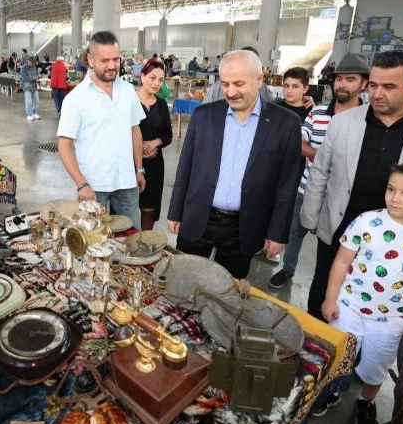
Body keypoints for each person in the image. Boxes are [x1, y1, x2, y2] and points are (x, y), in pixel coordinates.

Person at [300, 50, 403, 321]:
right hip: (342, 222)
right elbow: (320, 172)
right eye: (373, 85)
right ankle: (317, 346)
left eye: (388, 87)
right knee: (324, 286)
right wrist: (312, 215)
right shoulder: (343, 122)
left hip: (400, 234)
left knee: (378, 296)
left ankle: (363, 353)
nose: (376, 94)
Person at [316, 161, 403, 424]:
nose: (395, 198)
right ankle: (330, 391)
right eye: (391, 189)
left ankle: (366, 401)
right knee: (338, 353)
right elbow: (342, 262)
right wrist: (331, 298)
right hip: (349, 306)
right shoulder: (366, 222)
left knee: (378, 363)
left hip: (392, 318)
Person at [167, 50, 301, 279]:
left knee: (229, 290)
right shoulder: (204, 115)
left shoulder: (285, 124)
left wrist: (277, 233)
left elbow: (286, 185)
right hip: (199, 215)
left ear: (259, 80)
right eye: (225, 84)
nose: (231, 92)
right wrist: (175, 212)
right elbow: (185, 168)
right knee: (184, 279)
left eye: (239, 84)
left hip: (244, 225)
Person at [270, 53, 368, 288]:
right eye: (339, 79)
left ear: (364, 84)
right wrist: (324, 160)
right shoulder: (317, 113)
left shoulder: (368, 120)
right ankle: (288, 269)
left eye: (351, 79)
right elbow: (300, 142)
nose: (343, 84)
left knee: (338, 243)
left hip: (344, 197)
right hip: (307, 187)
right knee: (294, 232)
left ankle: (330, 282)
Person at [57, 31, 146, 229]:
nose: (112, 65)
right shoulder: (76, 99)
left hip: (126, 181)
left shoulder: (128, 91)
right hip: (93, 186)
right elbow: (64, 146)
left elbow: (135, 130)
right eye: (105, 60)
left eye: (116, 59)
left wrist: (139, 169)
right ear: (90, 59)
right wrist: (82, 184)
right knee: (94, 243)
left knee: (132, 239)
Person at [136, 59, 173, 230]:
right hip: (129, 164)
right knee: (126, 208)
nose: (156, 83)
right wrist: (139, 151)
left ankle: (145, 243)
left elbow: (168, 135)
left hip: (154, 164)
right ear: (142, 76)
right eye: (152, 78)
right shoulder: (129, 101)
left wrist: (154, 143)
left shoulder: (161, 105)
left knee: (149, 208)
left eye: (160, 80)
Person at [21, 55, 41, 121]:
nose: (33, 64)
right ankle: (29, 114)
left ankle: (35, 113)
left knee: (37, 101)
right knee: (28, 102)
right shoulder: (23, 68)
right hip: (27, 88)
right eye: (32, 63)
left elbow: (36, 73)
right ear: (28, 61)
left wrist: (38, 75)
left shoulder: (34, 67)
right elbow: (24, 78)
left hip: (34, 87)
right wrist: (34, 78)